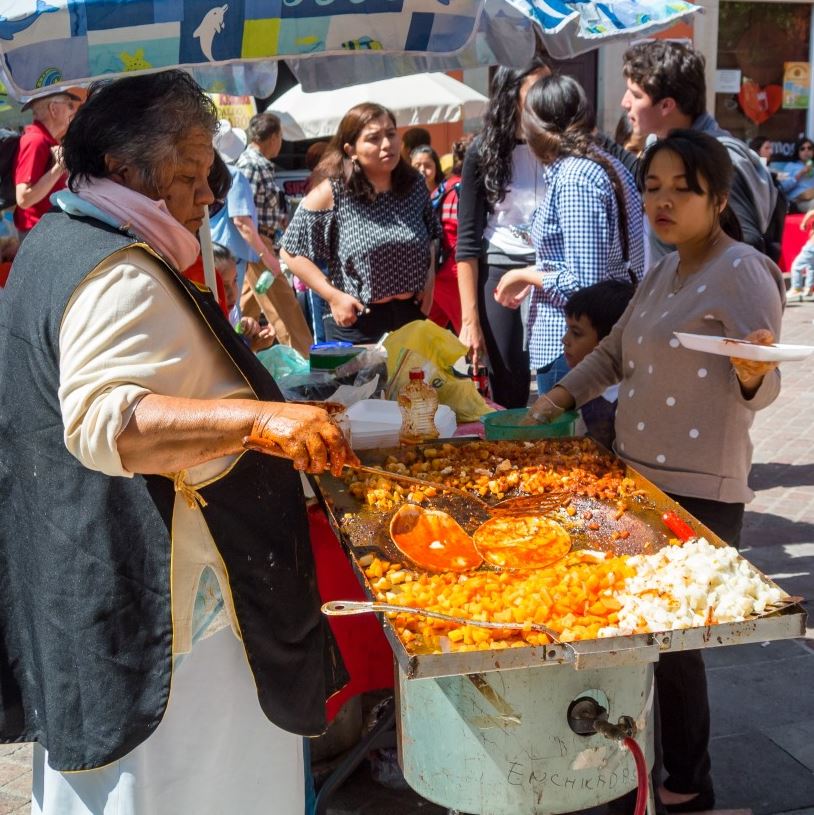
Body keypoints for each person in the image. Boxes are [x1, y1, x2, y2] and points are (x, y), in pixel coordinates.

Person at [0, 70, 356, 815]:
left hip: (93, 585)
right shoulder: (115, 271)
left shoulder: (59, 238)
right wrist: (259, 421)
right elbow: (108, 422)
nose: (206, 194)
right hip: (177, 623)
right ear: (126, 170)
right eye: (191, 174)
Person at [530, 130, 785, 814]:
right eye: (653, 186)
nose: (663, 200)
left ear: (720, 198)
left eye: (683, 188)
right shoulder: (661, 270)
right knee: (646, 634)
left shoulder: (743, 270)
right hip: (637, 479)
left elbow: (761, 380)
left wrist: (755, 370)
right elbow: (613, 353)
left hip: (700, 488)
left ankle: (688, 784)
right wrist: (555, 397)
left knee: (676, 644)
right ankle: (638, 766)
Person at [493, 74, 645, 395]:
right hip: (589, 343)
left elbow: (584, 287)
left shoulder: (576, 177)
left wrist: (527, 275)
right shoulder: (600, 164)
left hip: (577, 349)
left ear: (535, 126)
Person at [280, 102, 441, 344]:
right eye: (374, 138)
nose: (386, 144)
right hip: (357, 324)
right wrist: (333, 297)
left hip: (412, 317)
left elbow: (431, 235)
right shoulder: (334, 192)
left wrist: (429, 280)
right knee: (364, 384)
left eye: (391, 134)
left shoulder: (414, 185)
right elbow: (290, 251)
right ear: (351, 149)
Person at [609, 40, 782, 261]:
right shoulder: (657, 142)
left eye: (636, 95)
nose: (625, 102)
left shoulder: (721, 158)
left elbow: (746, 251)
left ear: (666, 106)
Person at [456, 57, 551, 408]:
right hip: (500, 271)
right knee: (508, 389)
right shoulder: (483, 151)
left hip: (551, 271)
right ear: (513, 94)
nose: (548, 95)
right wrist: (470, 321)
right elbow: (466, 242)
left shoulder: (563, 145)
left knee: (556, 383)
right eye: (537, 87)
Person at [210, 119, 282, 306]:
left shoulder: (209, 176)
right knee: (230, 306)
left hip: (212, 248)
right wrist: (266, 257)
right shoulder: (234, 175)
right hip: (233, 253)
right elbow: (241, 221)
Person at [561, 279, 635, 450]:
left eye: (576, 333)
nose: (565, 340)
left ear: (610, 342)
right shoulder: (571, 386)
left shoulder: (620, 402)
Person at [13, 89, 81, 239]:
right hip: (37, 234)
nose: (74, 110)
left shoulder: (45, 140)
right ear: (53, 109)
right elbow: (24, 199)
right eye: (69, 105)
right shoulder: (35, 140)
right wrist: (60, 167)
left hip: (45, 231)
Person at [428, 136, 471, 334]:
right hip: (455, 272)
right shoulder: (466, 190)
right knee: (469, 332)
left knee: (429, 333)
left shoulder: (442, 188)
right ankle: (478, 366)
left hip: (435, 270)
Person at [235, 111, 288, 248]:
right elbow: (241, 215)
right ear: (273, 138)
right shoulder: (251, 164)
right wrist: (259, 243)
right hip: (256, 246)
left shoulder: (260, 163)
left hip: (263, 243)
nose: (281, 142)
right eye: (281, 137)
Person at [213, 241, 274, 350]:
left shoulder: (232, 312)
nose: (233, 294)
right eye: (224, 286)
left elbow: (234, 353)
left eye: (235, 280)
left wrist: (248, 335)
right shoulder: (200, 321)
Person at [772, 136, 814, 213]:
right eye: (802, 149)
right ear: (798, 152)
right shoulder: (791, 166)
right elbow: (783, 188)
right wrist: (800, 174)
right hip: (799, 202)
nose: (806, 151)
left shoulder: (812, 166)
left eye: (809, 148)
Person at [787, 205, 814, 299]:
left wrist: (804, 223)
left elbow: (811, 212)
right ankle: (809, 289)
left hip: (812, 245)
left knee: (797, 266)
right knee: (812, 267)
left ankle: (796, 288)